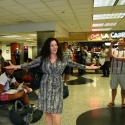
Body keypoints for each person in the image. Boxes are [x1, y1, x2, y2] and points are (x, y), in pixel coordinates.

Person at [5, 37, 100, 125]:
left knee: (55, 113)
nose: (55, 47)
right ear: (48, 47)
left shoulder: (63, 58)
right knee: (48, 112)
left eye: (56, 45)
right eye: (52, 45)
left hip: (57, 85)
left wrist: (89, 67)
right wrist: (15, 66)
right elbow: (29, 65)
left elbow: (76, 65)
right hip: (45, 85)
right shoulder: (42, 58)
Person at [107, 37, 125, 108]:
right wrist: (110, 46)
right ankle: (112, 101)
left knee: (124, 88)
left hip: (123, 72)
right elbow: (109, 55)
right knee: (113, 87)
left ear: (124, 42)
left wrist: (115, 57)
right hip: (114, 73)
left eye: (121, 40)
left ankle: (123, 102)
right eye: (118, 40)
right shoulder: (113, 50)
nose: (119, 41)